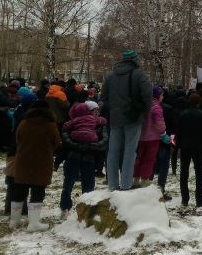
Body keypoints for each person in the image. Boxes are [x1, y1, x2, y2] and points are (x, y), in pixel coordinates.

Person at [100, 50, 153, 191]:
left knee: (113, 151)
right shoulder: (139, 75)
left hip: (115, 119)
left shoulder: (110, 76)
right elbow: (148, 95)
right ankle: (126, 184)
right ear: (135, 60)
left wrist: (112, 110)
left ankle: (112, 184)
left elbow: (103, 97)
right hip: (133, 118)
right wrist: (144, 112)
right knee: (130, 151)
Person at [10, 100, 60, 231]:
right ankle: (33, 223)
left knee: (19, 190)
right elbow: (56, 143)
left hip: (23, 160)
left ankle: (14, 221)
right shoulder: (50, 125)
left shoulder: (24, 123)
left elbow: (18, 139)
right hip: (42, 161)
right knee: (38, 191)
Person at [59, 103, 108, 217]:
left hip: (76, 155)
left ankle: (82, 208)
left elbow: (66, 137)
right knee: (76, 183)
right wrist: (91, 146)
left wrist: (77, 145)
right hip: (86, 156)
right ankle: (78, 208)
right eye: (94, 110)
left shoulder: (72, 123)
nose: (97, 112)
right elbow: (104, 140)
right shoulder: (99, 123)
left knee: (75, 183)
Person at [176, 94, 202, 208]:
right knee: (199, 173)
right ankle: (199, 200)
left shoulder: (183, 115)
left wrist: (178, 146)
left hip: (185, 146)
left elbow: (178, 132)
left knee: (184, 172)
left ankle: (185, 199)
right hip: (198, 147)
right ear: (198, 102)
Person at [133, 86, 167, 187]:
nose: (163, 97)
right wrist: (163, 133)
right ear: (157, 96)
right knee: (149, 159)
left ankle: (136, 178)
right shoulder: (156, 107)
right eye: (161, 95)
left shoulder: (144, 105)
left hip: (141, 137)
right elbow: (159, 123)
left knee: (139, 158)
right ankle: (145, 179)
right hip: (152, 138)